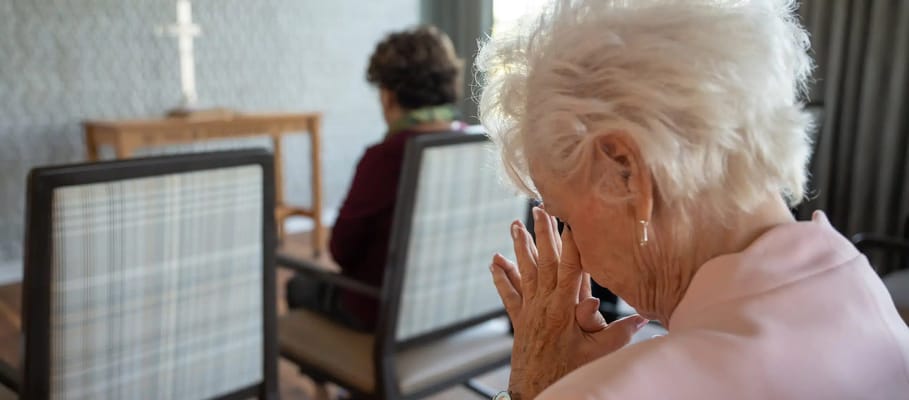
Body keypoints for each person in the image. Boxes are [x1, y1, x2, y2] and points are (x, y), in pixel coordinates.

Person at [477, 0, 909, 399]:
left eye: (566, 217)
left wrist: (537, 389)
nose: (578, 258)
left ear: (629, 174)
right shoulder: (859, 281)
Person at [286, 25, 464, 331]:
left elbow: (341, 250)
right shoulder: (477, 144)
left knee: (297, 285)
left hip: (385, 314)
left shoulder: (386, 157)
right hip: (457, 305)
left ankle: (340, 366)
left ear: (388, 95)